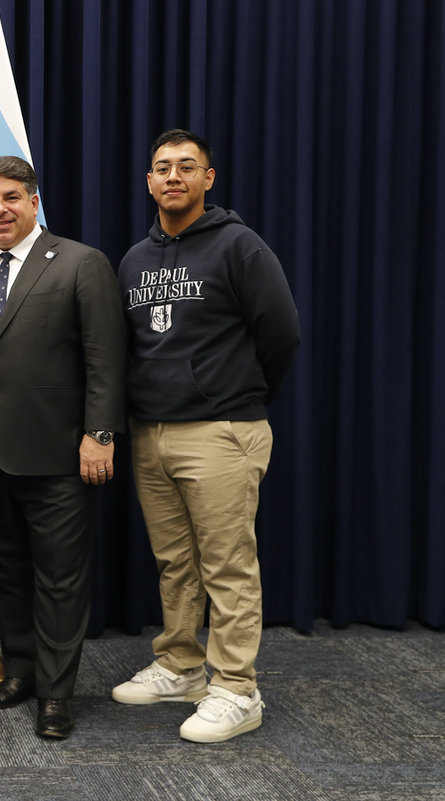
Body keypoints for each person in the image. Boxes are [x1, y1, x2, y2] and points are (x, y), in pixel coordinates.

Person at [112, 129, 300, 743]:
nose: (173, 177)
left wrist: (237, 397)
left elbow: (281, 333)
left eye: (186, 167)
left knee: (227, 566)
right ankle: (181, 664)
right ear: (148, 181)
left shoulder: (238, 246)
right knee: (175, 562)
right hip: (151, 432)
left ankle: (237, 689)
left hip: (221, 430)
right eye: (162, 167)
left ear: (207, 178)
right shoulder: (134, 260)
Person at [0, 156, 125, 739]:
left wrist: (101, 434)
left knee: (60, 578)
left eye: (11, 198)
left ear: (34, 201)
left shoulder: (80, 263)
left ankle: (56, 693)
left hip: (60, 456)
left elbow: (106, 359)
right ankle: (20, 671)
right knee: (4, 571)